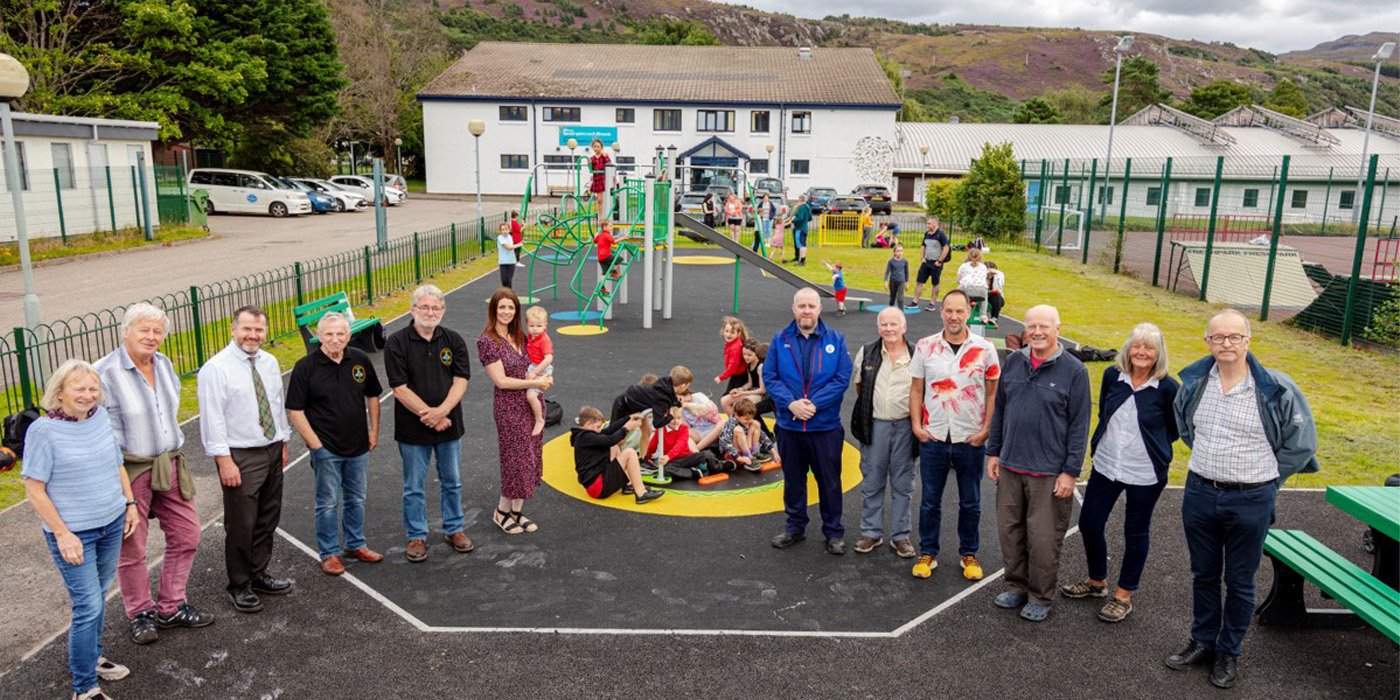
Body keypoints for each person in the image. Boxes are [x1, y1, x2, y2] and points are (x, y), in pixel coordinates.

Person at [1165, 309, 1317, 690]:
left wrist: (1267, 479)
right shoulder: (1195, 384)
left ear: (1248, 341)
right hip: (1200, 493)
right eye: (1218, 337)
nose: (1226, 343)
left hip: (1251, 499)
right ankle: (1203, 641)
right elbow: (1186, 428)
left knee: (1240, 580)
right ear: (1207, 342)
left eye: (1234, 336)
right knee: (1203, 574)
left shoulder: (1275, 388)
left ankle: (1228, 651)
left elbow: (1301, 445)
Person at [95, 303, 212, 645]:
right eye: (143, 329)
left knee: (187, 534)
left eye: (157, 331)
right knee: (132, 547)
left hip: (169, 463)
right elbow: (94, 429)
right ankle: (140, 612)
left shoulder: (163, 364)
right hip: (129, 470)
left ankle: (171, 606)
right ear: (125, 332)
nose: (151, 336)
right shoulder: (103, 373)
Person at [24, 360, 139, 700]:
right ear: (59, 393)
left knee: (98, 597)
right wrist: (63, 534)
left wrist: (130, 504)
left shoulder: (99, 417)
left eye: (93, 389)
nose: (88, 395)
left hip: (112, 521)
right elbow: (34, 489)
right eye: (79, 389)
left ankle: (92, 656)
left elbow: (116, 464)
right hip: (75, 534)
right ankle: (84, 687)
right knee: (87, 605)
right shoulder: (43, 431)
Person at [1060, 323, 1178, 623]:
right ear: (1127, 349)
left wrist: (1150, 447)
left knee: (1135, 532)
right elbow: (1103, 412)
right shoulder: (1113, 376)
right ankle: (1096, 581)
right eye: (1136, 346)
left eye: (1149, 347)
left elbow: (1174, 429)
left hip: (1144, 471)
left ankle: (1123, 595)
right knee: (1089, 523)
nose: (1141, 352)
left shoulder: (1167, 388)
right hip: (1107, 465)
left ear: (1158, 353)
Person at [984, 304, 1091, 622]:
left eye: (1045, 326)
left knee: (1043, 538)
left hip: (1048, 472)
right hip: (1011, 466)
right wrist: (994, 452)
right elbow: (1000, 409)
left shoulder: (1074, 371)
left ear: (1058, 329)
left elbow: (1079, 425)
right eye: (1032, 326)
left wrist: (1070, 471)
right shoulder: (1014, 362)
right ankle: (1016, 586)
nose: (1038, 332)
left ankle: (1040, 595)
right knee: (1010, 532)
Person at [197, 305, 294, 613]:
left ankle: (258, 573)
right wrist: (223, 460)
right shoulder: (216, 369)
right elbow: (212, 418)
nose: (253, 335)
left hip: (271, 447)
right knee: (242, 522)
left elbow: (275, 404)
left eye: (258, 330)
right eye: (247, 329)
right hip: (240, 455)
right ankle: (239, 584)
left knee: (268, 516)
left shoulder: (269, 362)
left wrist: (283, 440)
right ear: (233, 329)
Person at [909, 290, 1001, 579]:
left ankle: (968, 554)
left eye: (959, 311)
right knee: (929, 501)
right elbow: (916, 388)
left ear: (968, 313)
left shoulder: (985, 349)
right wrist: (916, 426)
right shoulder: (925, 346)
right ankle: (928, 553)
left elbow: (993, 393)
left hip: (970, 438)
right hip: (934, 436)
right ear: (941, 312)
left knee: (970, 502)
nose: (953, 316)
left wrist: (986, 430)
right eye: (948, 310)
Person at [286, 312, 385, 576]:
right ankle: (329, 553)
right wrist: (315, 445)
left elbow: (373, 395)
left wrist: (374, 430)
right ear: (319, 336)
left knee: (356, 498)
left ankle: (355, 544)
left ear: (349, 335)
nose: (335, 339)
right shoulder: (305, 367)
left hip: (358, 446)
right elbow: (295, 411)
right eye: (329, 334)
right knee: (327, 503)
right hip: (326, 449)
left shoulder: (360, 359)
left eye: (340, 334)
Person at [384, 285, 473, 562]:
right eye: (424, 307)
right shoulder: (397, 342)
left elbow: (461, 380)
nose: (430, 313)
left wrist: (442, 412)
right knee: (414, 486)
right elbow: (399, 388)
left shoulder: (454, 340)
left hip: (449, 425)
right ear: (413, 309)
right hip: (412, 429)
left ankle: (454, 529)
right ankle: (416, 536)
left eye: (435, 308)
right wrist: (432, 416)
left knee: (452, 481)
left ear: (443, 310)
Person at [764, 287, 853, 554]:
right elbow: (770, 377)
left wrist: (814, 405)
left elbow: (842, 378)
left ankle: (833, 532)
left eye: (811, 306)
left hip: (824, 427)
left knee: (829, 482)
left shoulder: (836, 339)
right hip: (789, 427)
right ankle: (795, 527)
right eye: (801, 306)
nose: (806, 311)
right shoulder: (780, 340)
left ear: (819, 309)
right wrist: (790, 403)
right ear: (794, 309)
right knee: (793, 480)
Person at [478, 288, 552, 534]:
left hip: (531, 403)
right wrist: (536, 382)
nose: (507, 312)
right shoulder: (487, 341)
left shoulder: (520, 336)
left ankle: (516, 512)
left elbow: (539, 359)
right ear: (494, 309)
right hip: (509, 408)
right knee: (514, 460)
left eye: (511, 307)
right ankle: (501, 512)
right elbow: (501, 381)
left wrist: (545, 378)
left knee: (529, 457)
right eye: (502, 307)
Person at [850, 307, 916, 558]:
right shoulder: (867, 352)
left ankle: (900, 536)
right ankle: (871, 532)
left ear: (904, 327)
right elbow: (860, 387)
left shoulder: (916, 354)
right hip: (875, 425)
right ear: (879, 328)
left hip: (905, 427)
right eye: (884, 324)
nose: (889, 329)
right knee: (872, 481)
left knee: (903, 483)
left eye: (894, 324)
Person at [571, 406, 664, 504]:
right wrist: (627, 428)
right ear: (588, 424)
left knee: (614, 446)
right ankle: (641, 493)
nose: (599, 430)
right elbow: (610, 440)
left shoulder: (585, 435)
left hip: (595, 486)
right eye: (598, 427)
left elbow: (610, 430)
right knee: (629, 453)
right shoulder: (586, 437)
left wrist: (629, 418)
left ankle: (629, 484)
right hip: (598, 487)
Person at [610, 367, 693, 468]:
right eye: (687, 386)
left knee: (647, 431)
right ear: (683, 385)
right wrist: (670, 416)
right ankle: (612, 464)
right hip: (623, 405)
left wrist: (676, 402)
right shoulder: (662, 398)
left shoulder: (666, 381)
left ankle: (642, 459)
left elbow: (669, 397)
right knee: (618, 439)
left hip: (637, 406)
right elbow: (658, 423)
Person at [648, 405, 728, 478]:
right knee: (665, 469)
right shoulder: (660, 430)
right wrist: (648, 457)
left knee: (706, 454)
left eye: (678, 418)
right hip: (673, 461)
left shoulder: (684, 429)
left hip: (686, 458)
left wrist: (668, 456)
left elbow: (679, 445)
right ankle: (693, 472)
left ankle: (719, 465)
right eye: (672, 418)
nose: (676, 421)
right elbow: (652, 445)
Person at [716, 398, 778, 471]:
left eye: (751, 418)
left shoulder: (748, 420)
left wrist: (774, 452)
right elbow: (725, 443)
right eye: (746, 419)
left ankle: (754, 453)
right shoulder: (731, 425)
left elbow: (762, 436)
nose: (749, 421)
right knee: (738, 430)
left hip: (746, 448)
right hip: (734, 454)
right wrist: (739, 457)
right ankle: (748, 456)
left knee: (756, 423)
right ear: (736, 415)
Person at [524, 306, 555, 437]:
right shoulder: (532, 336)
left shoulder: (544, 340)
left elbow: (548, 358)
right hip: (534, 365)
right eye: (531, 326)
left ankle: (539, 419)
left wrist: (535, 372)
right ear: (527, 325)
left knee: (531, 395)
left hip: (541, 368)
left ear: (545, 326)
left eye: (538, 326)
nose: (535, 329)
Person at [912, 216, 951, 311]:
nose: (927, 225)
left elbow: (946, 248)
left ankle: (932, 303)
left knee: (935, 283)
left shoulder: (941, 235)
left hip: (936, 263)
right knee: (919, 281)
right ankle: (915, 302)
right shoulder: (927, 234)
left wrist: (939, 261)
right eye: (927, 223)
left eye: (929, 223)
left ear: (935, 224)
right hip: (926, 262)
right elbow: (923, 246)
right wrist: (922, 258)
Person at [720, 339, 764, 415]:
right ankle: (734, 421)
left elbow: (762, 390)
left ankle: (741, 421)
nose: (746, 357)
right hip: (752, 390)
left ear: (756, 354)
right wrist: (738, 389)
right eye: (744, 354)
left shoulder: (760, 367)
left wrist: (742, 393)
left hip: (760, 394)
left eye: (749, 355)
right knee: (724, 401)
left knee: (738, 406)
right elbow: (750, 383)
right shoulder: (749, 364)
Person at [714, 316, 749, 388]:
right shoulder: (732, 343)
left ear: (738, 333)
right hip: (737, 374)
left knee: (729, 394)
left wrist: (721, 377)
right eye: (727, 331)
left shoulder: (736, 347)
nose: (728, 334)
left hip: (740, 376)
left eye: (732, 332)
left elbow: (733, 366)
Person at [957, 247, 990, 318]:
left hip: (966, 289)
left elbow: (958, 280)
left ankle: (959, 311)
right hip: (980, 290)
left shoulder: (963, 266)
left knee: (957, 294)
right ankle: (983, 314)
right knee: (985, 296)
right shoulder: (983, 267)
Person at [588, 138, 610, 227]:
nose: (596, 148)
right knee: (600, 200)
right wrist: (589, 163)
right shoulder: (592, 158)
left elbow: (609, 164)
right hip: (597, 179)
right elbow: (591, 169)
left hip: (604, 179)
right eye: (594, 147)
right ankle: (601, 219)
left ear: (601, 147)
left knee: (607, 199)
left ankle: (606, 217)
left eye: (598, 146)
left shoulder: (604, 156)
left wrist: (605, 155)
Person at [496, 221, 523, 289]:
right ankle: (505, 292)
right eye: (503, 230)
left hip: (511, 261)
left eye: (506, 229)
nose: (504, 231)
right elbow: (508, 247)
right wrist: (518, 245)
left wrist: (520, 243)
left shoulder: (510, 237)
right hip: (503, 262)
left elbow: (513, 245)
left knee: (509, 279)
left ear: (509, 230)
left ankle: (509, 293)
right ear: (500, 231)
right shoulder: (500, 238)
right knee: (504, 280)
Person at [789, 198, 813, 266]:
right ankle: (803, 259)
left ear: (800, 200)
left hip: (799, 228)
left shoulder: (801, 207)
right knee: (803, 244)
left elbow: (800, 218)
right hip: (805, 228)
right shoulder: (808, 207)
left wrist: (793, 220)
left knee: (800, 245)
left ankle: (802, 261)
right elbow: (810, 218)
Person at [885, 243, 909, 309]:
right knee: (892, 298)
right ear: (894, 252)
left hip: (901, 281)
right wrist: (886, 281)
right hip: (893, 281)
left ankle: (901, 312)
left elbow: (906, 272)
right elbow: (887, 272)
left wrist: (907, 283)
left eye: (901, 251)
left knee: (900, 299)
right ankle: (891, 309)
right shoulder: (891, 261)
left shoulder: (905, 261)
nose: (899, 253)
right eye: (898, 251)